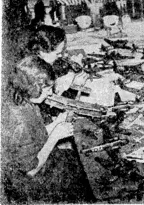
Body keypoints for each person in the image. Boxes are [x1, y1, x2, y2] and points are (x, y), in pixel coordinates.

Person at [1, 56, 95, 203]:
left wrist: (56, 123)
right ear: (33, 88)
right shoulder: (20, 123)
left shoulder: (21, 99)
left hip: (33, 158)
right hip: (28, 183)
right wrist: (54, 137)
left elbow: (35, 134)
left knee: (74, 161)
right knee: (83, 176)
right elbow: (31, 171)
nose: (50, 93)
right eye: (47, 89)